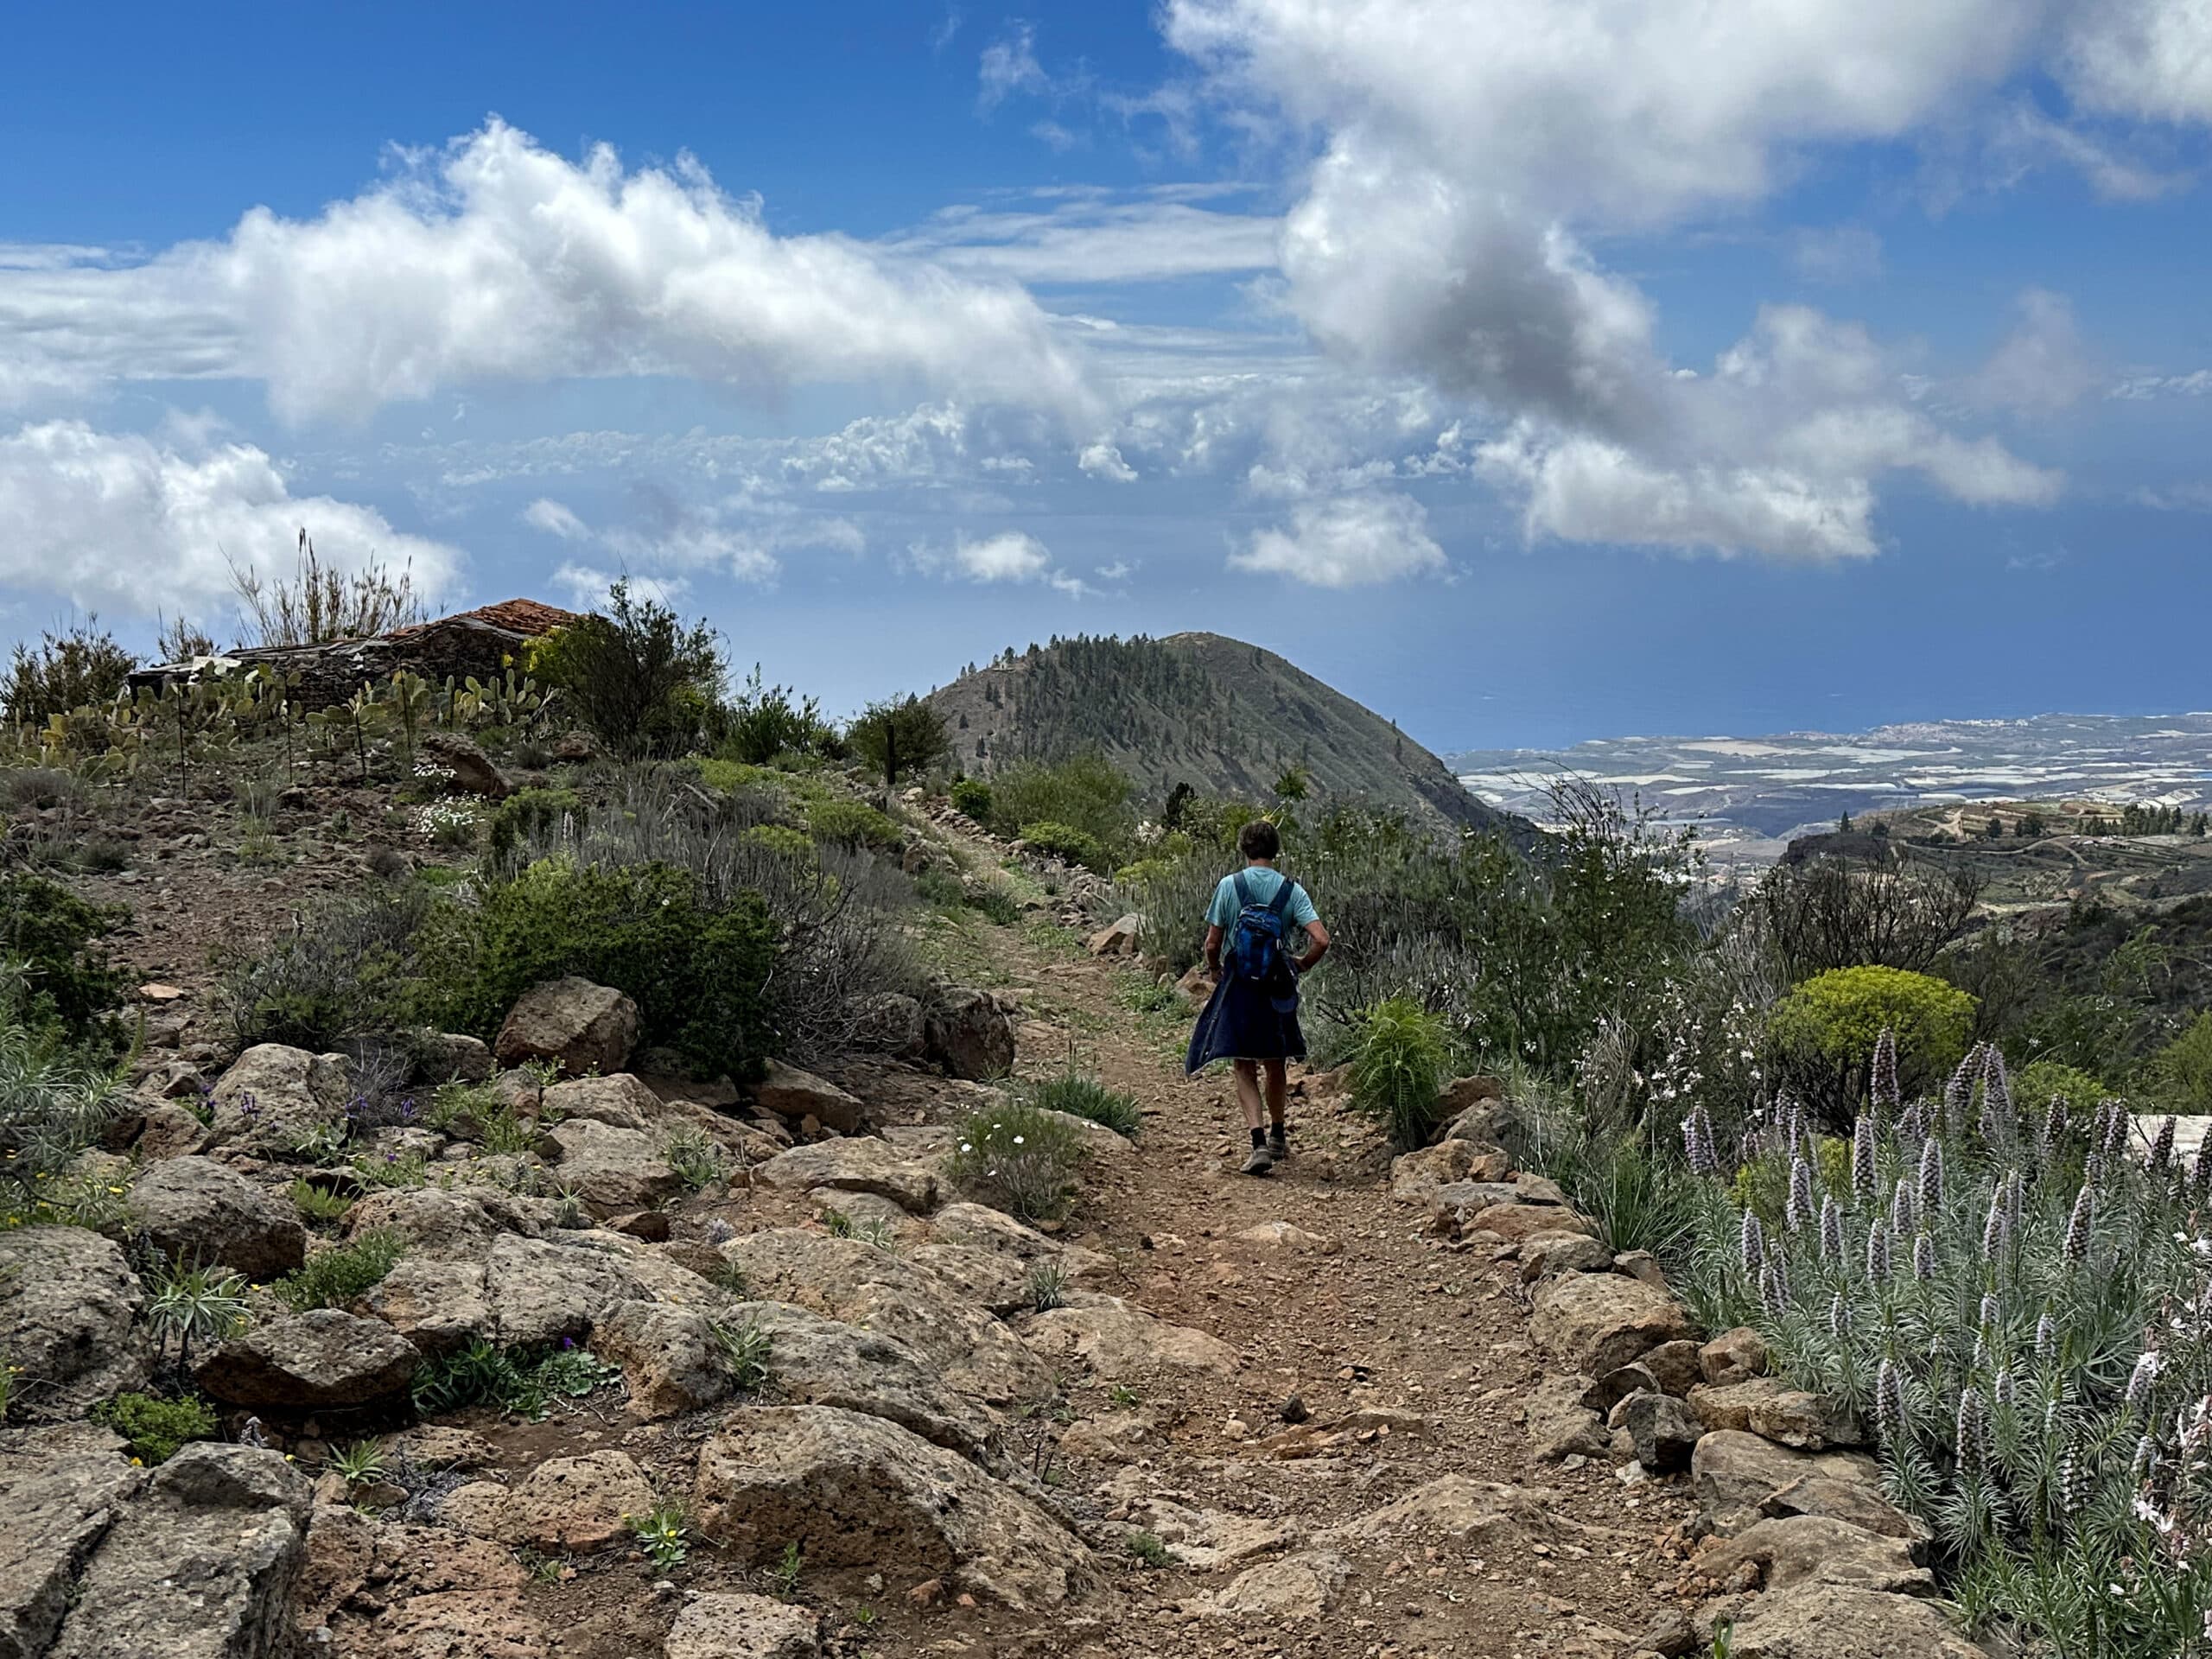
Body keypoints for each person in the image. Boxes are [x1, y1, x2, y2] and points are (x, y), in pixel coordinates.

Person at [1185, 819, 1330, 1175]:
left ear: (1244, 849)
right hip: (1276, 985)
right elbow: (1322, 940)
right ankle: (1279, 1135)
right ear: (1275, 850)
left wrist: (1215, 970)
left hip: (1240, 985)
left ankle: (1258, 1142)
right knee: (1275, 1061)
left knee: (1243, 1064)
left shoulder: (1229, 886)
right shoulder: (1291, 891)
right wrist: (1301, 964)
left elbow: (1212, 943)